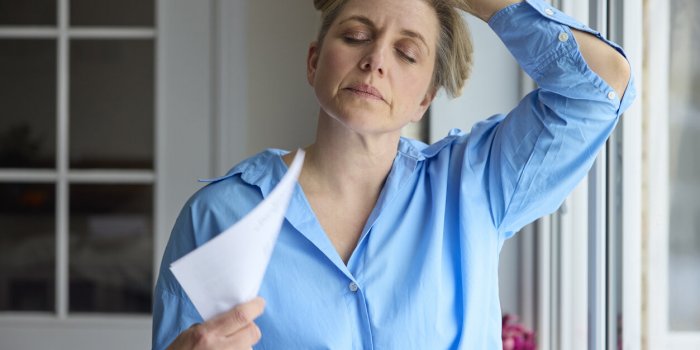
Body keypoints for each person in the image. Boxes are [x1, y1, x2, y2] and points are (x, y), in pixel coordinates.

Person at [153, 0, 634, 348]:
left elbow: (600, 88)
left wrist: (490, 5)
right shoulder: (218, 217)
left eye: (407, 53)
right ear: (314, 61)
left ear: (426, 97)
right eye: (357, 36)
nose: (376, 60)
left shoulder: (475, 185)